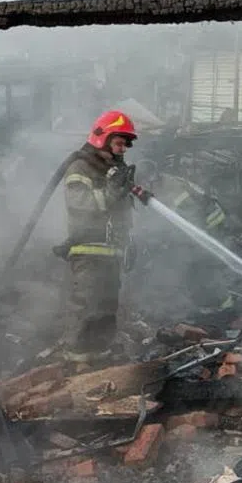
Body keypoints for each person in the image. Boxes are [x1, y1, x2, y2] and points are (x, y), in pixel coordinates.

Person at [58, 109, 138, 363]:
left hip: (110, 251)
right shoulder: (81, 167)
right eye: (119, 142)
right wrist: (113, 191)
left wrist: (129, 241)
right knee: (86, 307)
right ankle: (76, 361)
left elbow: (122, 213)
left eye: (126, 144)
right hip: (88, 250)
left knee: (106, 309)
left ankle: (101, 357)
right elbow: (80, 203)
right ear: (101, 137)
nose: (123, 149)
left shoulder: (114, 171)